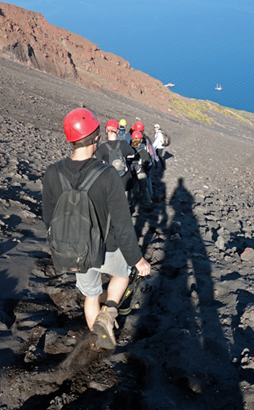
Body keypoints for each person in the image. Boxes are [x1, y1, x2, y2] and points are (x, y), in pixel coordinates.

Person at [42, 108, 151, 349]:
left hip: (75, 250)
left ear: (70, 139)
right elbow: (122, 222)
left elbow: (48, 217)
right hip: (108, 246)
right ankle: (109, 312)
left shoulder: (52, 172)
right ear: (96, 137)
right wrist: (137, 259)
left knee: (91, 295)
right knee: (121, 276)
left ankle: (99, 340)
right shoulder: (107, 174)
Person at [96, 119, 135, 199]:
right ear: (117, 131)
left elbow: (99, 161)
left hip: (110, 179)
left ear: (106, 131)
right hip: (124, 178)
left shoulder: (102, 147)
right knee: (125, 200)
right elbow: (133, 155)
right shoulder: (124, 144)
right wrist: (124, 156)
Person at [130, 131, 153, 205]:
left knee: (132, 187)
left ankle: (131, 201)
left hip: (132, 172)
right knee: (144, 188)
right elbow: (147, 162)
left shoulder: (129, 149)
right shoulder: (143, 151)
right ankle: (148, 201)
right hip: (141, 172)